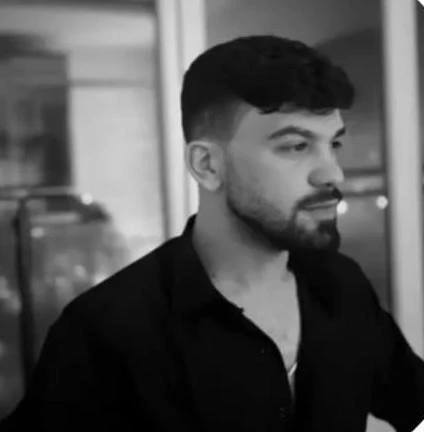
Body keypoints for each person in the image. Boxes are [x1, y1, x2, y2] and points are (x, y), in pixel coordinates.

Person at [2, 35, 424, 432]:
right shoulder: (108, 329)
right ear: (207, 165)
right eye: (296, 146)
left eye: (334, 144)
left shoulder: (342, 288)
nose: (332, 173)